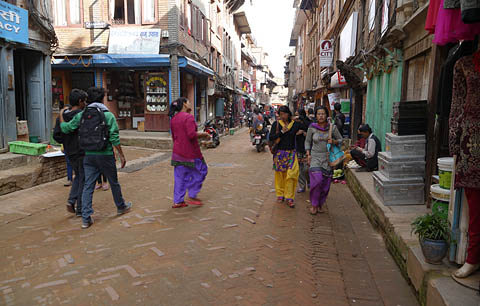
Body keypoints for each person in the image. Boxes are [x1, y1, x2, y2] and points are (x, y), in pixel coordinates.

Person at [60, 87, 132, 229]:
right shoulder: (108, 115)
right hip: (105, 155)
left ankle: (86, 218)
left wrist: (61, 116)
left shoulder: (82, 115)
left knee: (88, 185)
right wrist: (121, 156)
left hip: (88, 155)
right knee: (114, 182)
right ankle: (120, 206)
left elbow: (67, 128)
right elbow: (114, 138)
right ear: (102, 99)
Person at [169, 97, 211, 208]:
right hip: (191, 152)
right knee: (201, 171)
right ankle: (192, 194)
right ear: (184, 104)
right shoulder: (189, 117)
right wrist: (204, 134)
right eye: (188, 102)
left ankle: (178, 201)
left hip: (178, 153)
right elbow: (191, 135)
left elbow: (174, 137)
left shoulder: (173, 119)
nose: (190, 103)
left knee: (179, 177)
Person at [53, 89, 88, 217]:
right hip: (81, 151)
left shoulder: (61, 117)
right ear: (80, 101)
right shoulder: (82, 115)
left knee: (78, 176)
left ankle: (72, 200)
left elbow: (56, 135)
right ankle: (80, 207)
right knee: (83, 178)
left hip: (69, 151)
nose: (86, 103)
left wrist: (66, 141)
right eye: (84, 101)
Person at [305, 106, 343, 215]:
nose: (321, 116)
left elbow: (341, 140)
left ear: (327, 115)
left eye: (323, 114)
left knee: (325, 184)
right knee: (316, 181)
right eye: (319, 114)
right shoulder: (312, 127)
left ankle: (320, 204)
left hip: (327, 158)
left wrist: (334, 141)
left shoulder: (332, 128)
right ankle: (314, 204)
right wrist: (308, 154)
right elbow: (307, 142)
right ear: (316, 116)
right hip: (315, 157)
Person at [269, 106, 303, 208]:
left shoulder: (295, 124)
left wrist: (299, 118)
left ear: (289, 114)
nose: (283, 116)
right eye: (281, 114)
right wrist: (281, 132)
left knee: (292, 174)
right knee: (280, 175)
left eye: (285, 113)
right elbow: (271, 137)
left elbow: (307, 125)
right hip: (280, 153)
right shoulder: (277, 124)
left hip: (291, 153)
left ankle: (289, 197)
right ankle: (280, 194)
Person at [295, 109, 312, 193]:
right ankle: (302, 186)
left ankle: (309, 181)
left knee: (306, 168)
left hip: (307, 149)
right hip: (298, 148)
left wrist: (305, 133)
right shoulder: (295, 124)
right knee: (299, 169)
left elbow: (312, 135)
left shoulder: (309, 123)